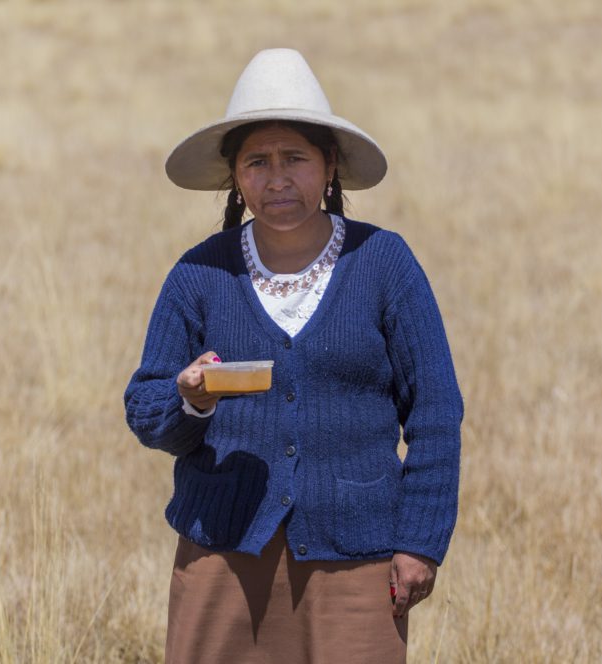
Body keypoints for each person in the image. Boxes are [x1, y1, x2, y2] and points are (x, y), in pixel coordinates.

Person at [124, 48, 463, 663]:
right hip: (222, 559)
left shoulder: (385, 265)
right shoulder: (199, 274)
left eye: (295, 159)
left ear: (329, 166)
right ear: (235, 176)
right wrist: (190, 399)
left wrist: (420, 542)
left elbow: (437, 412)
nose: (277, 178)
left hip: (357, 562)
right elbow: (147, 409)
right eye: (257, 162)